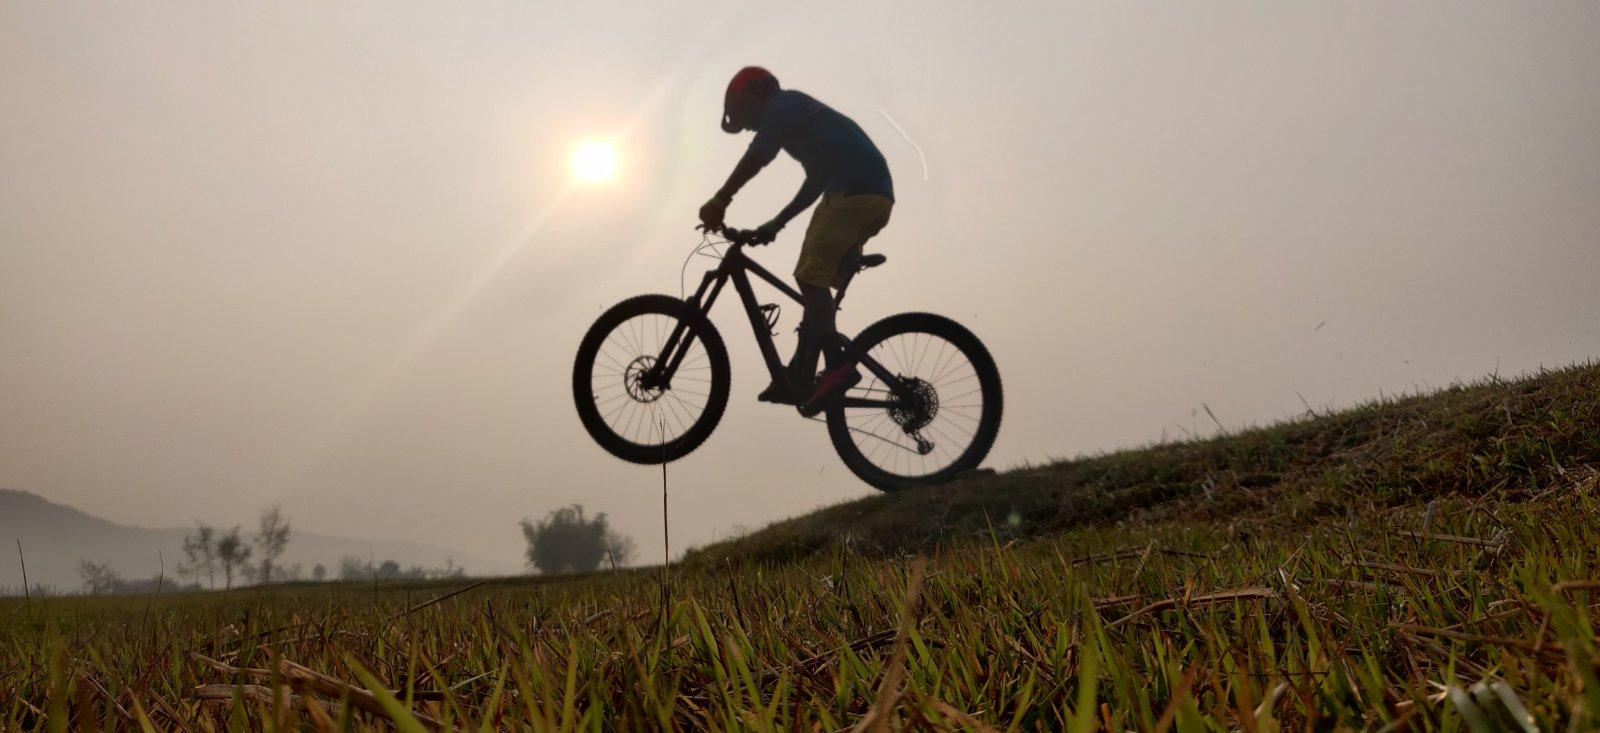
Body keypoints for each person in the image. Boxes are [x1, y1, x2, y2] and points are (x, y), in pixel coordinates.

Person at [698, 66, 895, 417]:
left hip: (856, 192)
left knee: (808, 278)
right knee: (812, 283)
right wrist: (777, 223)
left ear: (756, 95)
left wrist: (722, 198)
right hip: (853, 193)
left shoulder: (782, 106)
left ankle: (836, 366)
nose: (749, 125)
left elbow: (759, 155)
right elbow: (816, 180)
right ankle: (801, 373)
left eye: (745, 115)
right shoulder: (798, 116)